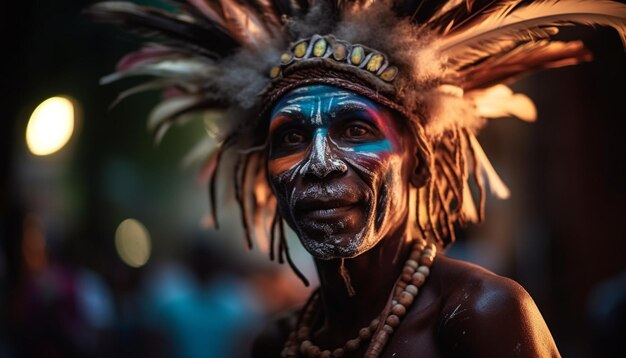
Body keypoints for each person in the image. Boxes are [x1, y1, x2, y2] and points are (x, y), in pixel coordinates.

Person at [88, 0, 626, 356]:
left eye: (353, 128)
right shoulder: (276, 344)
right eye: (292, 138)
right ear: (267, 176)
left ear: (417, 160)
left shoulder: (479, 316)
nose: (320, 162)